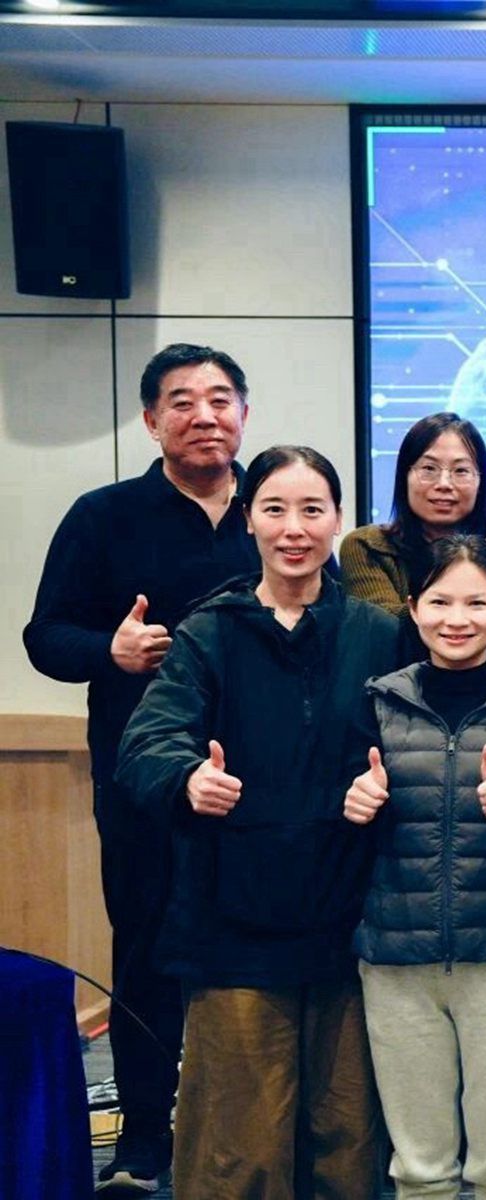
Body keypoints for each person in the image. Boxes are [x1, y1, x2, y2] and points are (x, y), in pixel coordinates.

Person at [114, 446, 402, 1199]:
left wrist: (386, 785)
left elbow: (417, 743)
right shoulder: (210, 630)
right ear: (249, 521)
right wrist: (188, 777)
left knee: (347, 1135)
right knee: (239, 1142)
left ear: (338, 520)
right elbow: (146, 742)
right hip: (232, 917)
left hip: (349, 917)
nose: (293, 529)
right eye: (275, 509)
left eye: (312, 510)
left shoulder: (378, 634)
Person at [22, 342, 260, 1193]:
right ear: (152, 420)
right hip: (143, 780)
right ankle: (144, 1138)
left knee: (254, 954)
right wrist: (109, 652)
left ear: (244, 415)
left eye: (221, 399)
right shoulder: (104, 515)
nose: (205, 415)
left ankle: (250, 1129)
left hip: (262, 781)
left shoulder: (274, 506)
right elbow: (45, 637)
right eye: (182, 401)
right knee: (148, 953)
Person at [345, 535, 486, 1199]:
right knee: (419, 1166)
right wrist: (357, 804)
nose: (457, 619)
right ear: (413, 607)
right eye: (440, 602)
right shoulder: (378, 699)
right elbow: (350, 823)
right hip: (397, 960)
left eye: (476, 603)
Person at [340, 411, 486, 673]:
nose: (444, 484)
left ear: (481, 481)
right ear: (404, 476)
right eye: (429, 469)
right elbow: (384, 631)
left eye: (461, 471)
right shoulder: (369, 547)